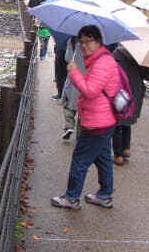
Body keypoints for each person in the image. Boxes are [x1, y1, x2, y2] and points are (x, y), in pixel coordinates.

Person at [51, 25, 122, 210]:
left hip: (97, 122)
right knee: (103, 158)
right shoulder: (99, 59)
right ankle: (105, 195)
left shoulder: (102, 63)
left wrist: (74, 72)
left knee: (80, 160)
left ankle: (72, 198)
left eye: (87, 41)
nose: (83, 45)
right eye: (80, 41)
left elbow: (90, 91)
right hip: (105, 120)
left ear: (98, 41)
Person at [111, 45, 149, 165]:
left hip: (120, 89)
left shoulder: (118, 53)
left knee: (117, 122)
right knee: (128, 119)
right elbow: (148, 76)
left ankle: (118, 155)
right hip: (135, 89)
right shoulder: (142, 55)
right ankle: (126, 148)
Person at [60, 37, 83, 139]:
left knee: (68, 102)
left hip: (74, 76)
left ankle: (69, 125)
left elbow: (68, 58)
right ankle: (80, 135)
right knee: (84, 109)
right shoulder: (98, 42)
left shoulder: (73, 39)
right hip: (88, 78)